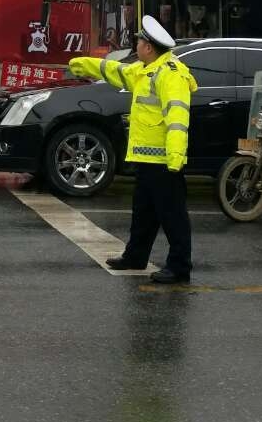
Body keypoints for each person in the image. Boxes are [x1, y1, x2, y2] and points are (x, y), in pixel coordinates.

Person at [68, 15, 197, 284]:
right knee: (143, 214)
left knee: (172, 216)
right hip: (146, 159)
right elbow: (117, 71)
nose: (135, 45)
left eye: (138, 42)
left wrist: (175, 157)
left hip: (164, 161)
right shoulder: (146, 70)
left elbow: (178, 118)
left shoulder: (171, 74)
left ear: (148, 47)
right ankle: (135, 257)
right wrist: (86, 65)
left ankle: (179, 267)